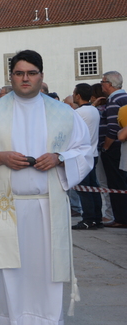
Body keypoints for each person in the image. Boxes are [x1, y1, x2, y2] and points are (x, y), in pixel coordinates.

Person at [0, 49, 93, 325]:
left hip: (49, 205)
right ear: (11, 77)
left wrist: (60, 158)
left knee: (47, 268)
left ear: (41, 76)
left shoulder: (63, 113)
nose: (25, 78)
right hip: (9, 204)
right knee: (6, 267)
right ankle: (4, 318)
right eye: (19, 73)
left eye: (31, 73)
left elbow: (84, 149)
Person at [71, 84, 102, 230]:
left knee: (84, 189)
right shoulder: (94, 110)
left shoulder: (79, 113)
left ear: (78, 95)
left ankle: (88, 219)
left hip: (82, 155)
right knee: (93, 187)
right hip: (93, 153)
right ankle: (97, 218)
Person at [99, 71, 127, 227]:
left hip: (114, 148)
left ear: (109, 84)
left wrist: (106, 147)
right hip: (122, 148)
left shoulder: (114, 100)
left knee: (116, 183)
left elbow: (112, 128)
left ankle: (121, 218)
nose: (101, 84)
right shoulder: (124, 97)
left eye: (103, 81)